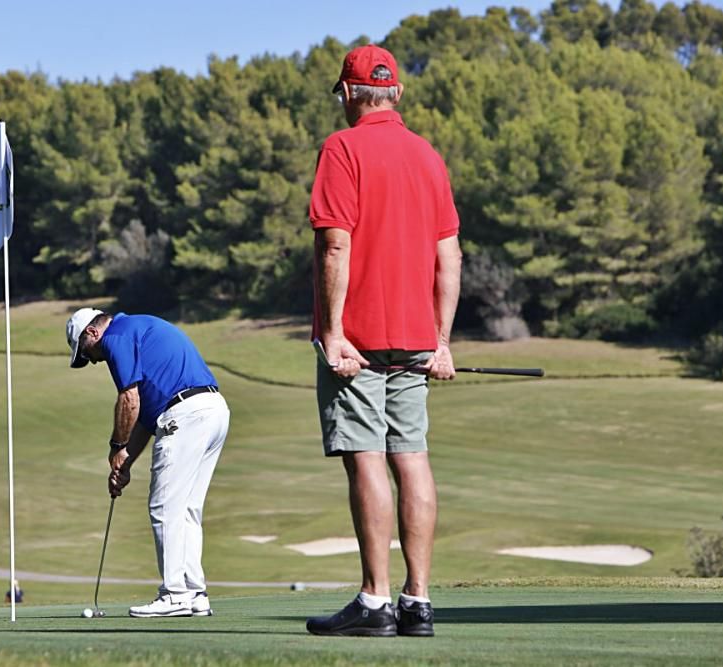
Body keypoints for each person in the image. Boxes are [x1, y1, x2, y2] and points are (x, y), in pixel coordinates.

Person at [304, 44, 462, 638]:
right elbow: (448, 256)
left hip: (358, 343)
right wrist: (441, 340)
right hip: (418, 339)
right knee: (412, 457)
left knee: (365, 456)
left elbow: (335, 244)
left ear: (348, 93)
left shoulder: (341, 148)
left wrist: (334, 331)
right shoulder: (427, 155)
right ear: (395, 92)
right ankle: (418, 600)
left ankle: (375, 602)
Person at [66, 307, 230, 618]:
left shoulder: (115, 339)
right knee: (187, 509)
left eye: (87, 354)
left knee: (164, 506)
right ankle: (195, 593)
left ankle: (174, 594)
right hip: (212, 410)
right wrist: (125, 463)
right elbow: (145, 420)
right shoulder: (136, 328)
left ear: (92, 333)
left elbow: (129, 399)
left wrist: (116, 446)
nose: (93, 360)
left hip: (185, 414)